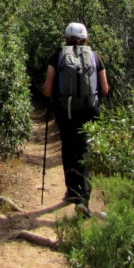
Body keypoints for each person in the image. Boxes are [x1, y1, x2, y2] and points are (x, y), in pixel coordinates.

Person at [42, 22, 110, 216]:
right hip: (89, 111)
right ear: (86, 38)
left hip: (66, 111)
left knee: (69, 148)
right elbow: (105, 89)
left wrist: (49, 94)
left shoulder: (58, 56)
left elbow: (47, 89)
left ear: (66, 37)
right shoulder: (95, 57)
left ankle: (72, 192)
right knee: (84, 151)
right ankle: (84, 199)